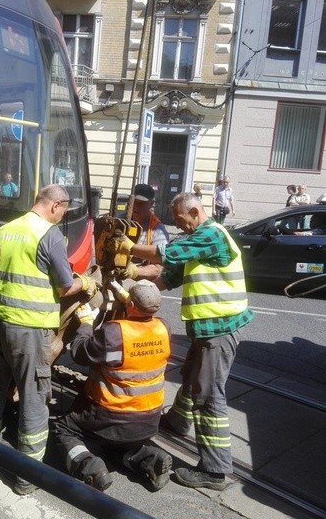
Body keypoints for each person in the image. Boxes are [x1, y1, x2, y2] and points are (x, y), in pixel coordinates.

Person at [106, 192, 253, 491]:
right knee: (190, 377)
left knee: (209, 395)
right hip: (207, 328)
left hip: (220, 328)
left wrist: (130, 247)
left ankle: (215, 470)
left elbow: (168, 253)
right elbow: (169, 275)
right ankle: (177, 421)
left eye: (180, 220)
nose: (178, 225)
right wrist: (135, 280)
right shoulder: (199, 240)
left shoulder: (211, 235)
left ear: (195, 213)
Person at [0, 184, 98, 495]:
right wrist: (88, 284)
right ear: (55, 206)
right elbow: (64, 287)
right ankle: (26, 478)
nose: (62, 216)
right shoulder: (50, 234)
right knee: (34, 399)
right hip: (28, 329)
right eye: (64, 211)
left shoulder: (8, 229)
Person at [51, 280, 172, 492]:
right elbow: (143, 311)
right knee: (113, 445)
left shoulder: (114, 332)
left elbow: (80, 352)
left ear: (131, 305)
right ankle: (151, 459)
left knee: (62, 427)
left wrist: (87, 323)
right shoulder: (164, 328)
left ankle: (90, 466)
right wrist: (126, 296)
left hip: (110, 417)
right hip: (149, 420)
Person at [124, 183, 169, 280]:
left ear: (151, 204)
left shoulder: (158, 230)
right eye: (134, 202)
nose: (136, 207)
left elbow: (159, 268)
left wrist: (132, 271)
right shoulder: (120, 221)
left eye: (141, 204)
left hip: (140, 281)